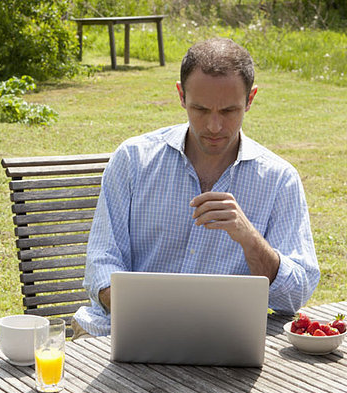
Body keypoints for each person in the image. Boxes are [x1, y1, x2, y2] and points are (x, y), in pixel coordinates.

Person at [71, 38, 320, 339]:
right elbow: (101, 264)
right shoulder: (134, 159)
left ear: (251, 99)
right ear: (180, 94)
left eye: (229, 111)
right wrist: (150, 321)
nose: (214, 126)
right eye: (200, 109)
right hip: (123, 331)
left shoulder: (279, 179)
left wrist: (251, 240)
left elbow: (293, 299)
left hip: (221, 342)